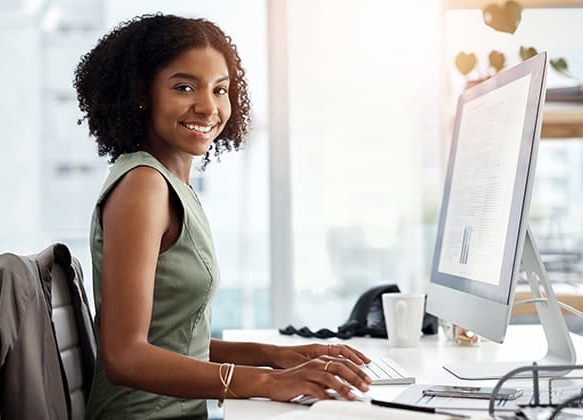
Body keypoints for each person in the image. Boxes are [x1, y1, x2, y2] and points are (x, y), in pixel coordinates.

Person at [73, 14, 372, 420]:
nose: (208, 107)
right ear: (142, 93)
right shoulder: (143, 185)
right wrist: (266, 381)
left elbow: (173, 343)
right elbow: (125, 356)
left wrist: (275, 357)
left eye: (220, 89)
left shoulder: (169, 184)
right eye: (184, 87)